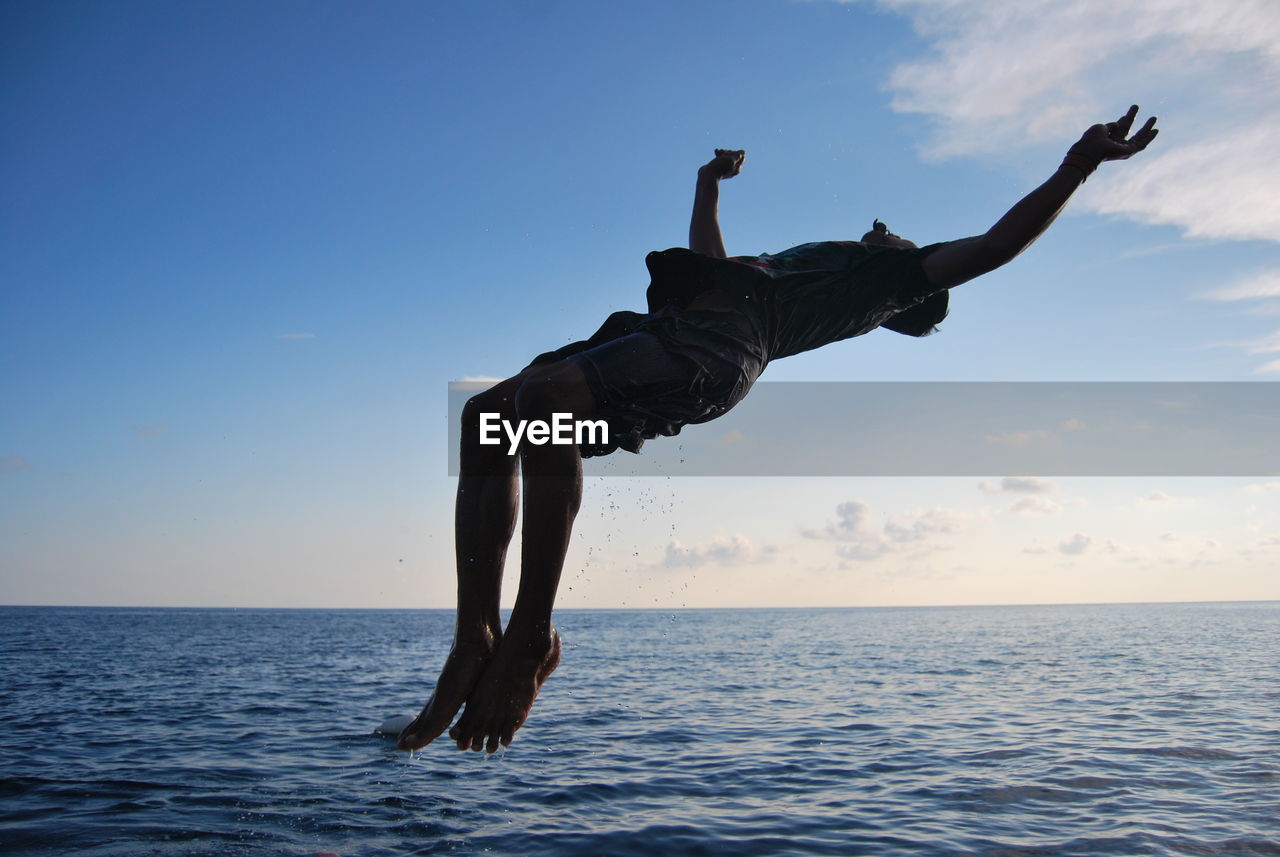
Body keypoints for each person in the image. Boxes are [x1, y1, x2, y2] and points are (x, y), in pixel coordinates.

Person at [397, 106, 1159, 754]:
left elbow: (994, 247)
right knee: (488, 414)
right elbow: (710, 263)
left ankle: (529, 634)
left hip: (715, 354)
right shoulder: (799, 266)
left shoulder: (890, 284)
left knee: (545, 405)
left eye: (901, 236)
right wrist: (707, 185)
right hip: (672, 327)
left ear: (911, 291)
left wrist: (1078, 163)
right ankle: (475, 637)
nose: (890, 228)